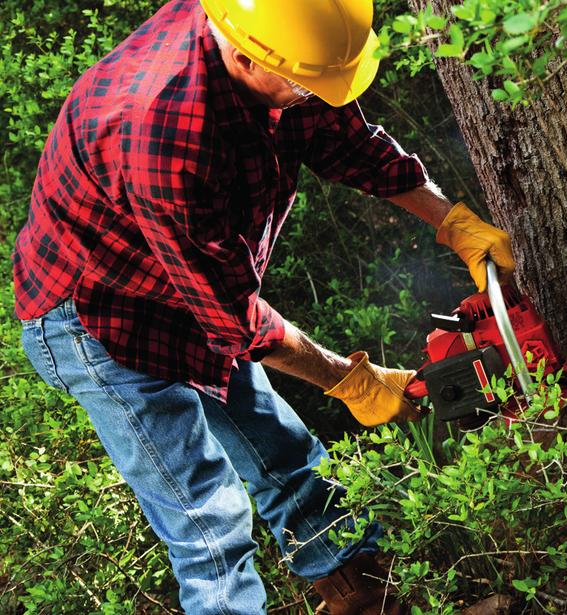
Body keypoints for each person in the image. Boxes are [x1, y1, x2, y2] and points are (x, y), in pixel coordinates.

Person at [12, 0, 515, 613]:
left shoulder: (279, 32)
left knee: (290, 462)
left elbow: (350, 142)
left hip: (186, 289)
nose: (314, 95)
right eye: (305, 86)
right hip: (97, 319)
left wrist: (452, 223)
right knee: (210, 524)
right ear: (244, 58)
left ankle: (368, 602)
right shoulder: (166, 132)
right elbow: (234, 317)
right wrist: (351, 381)